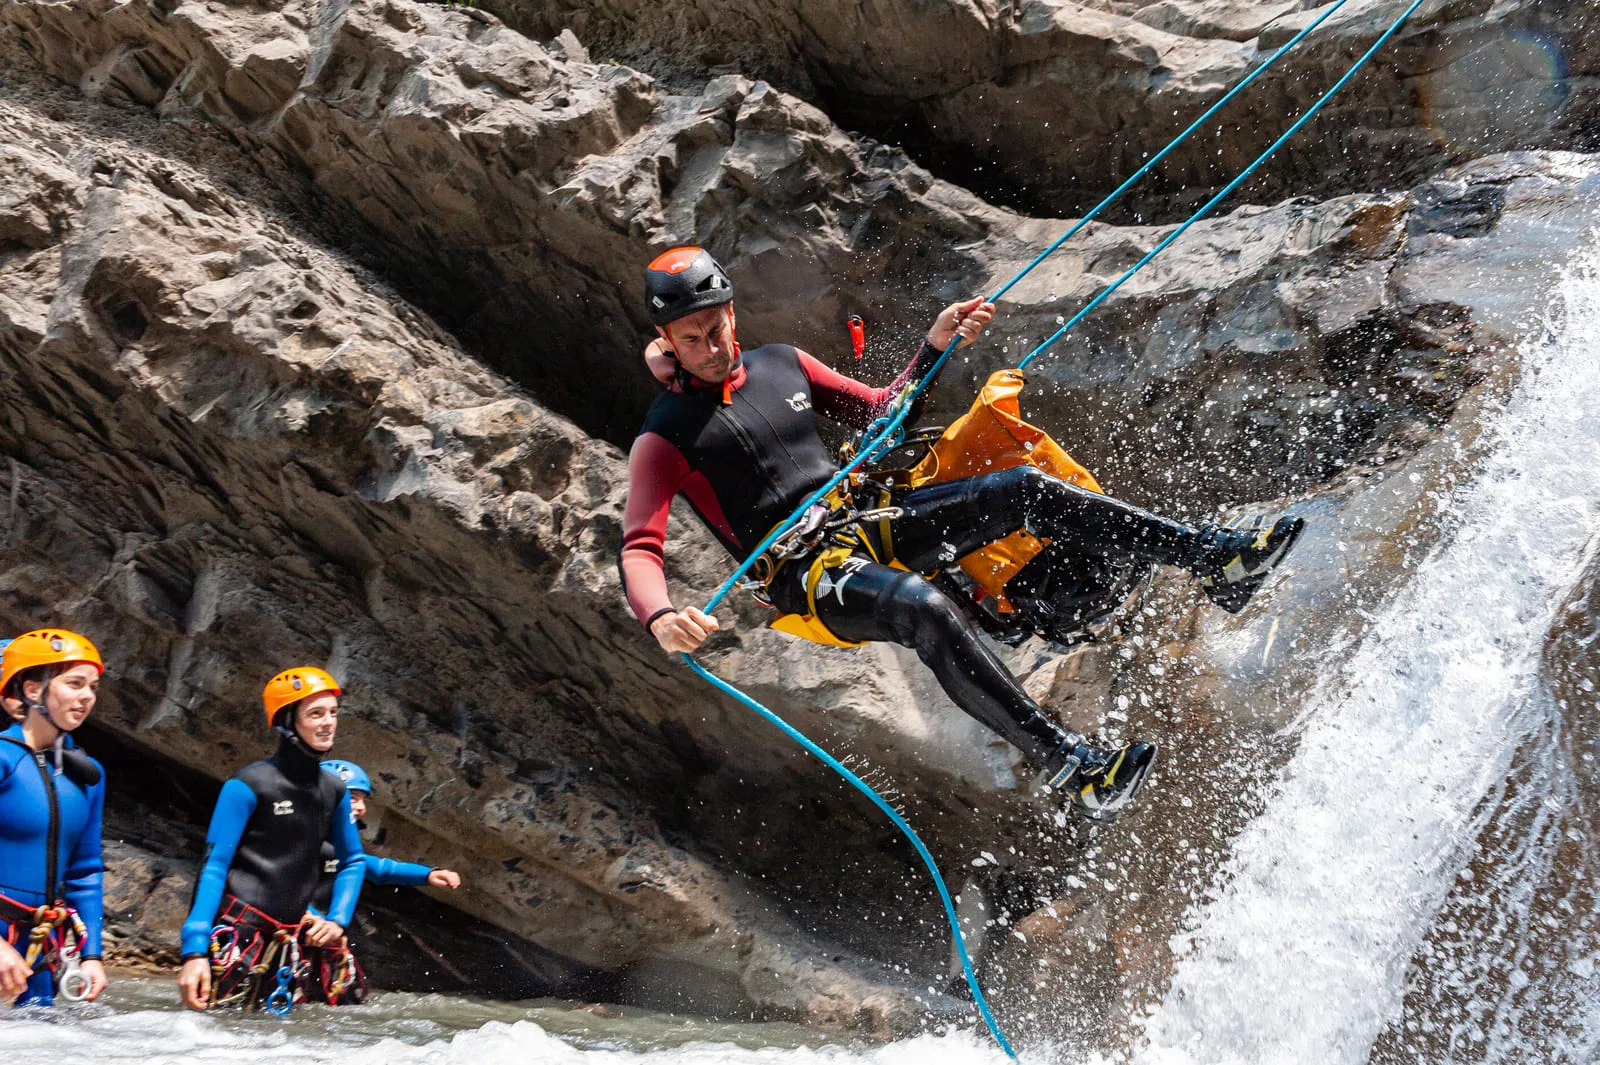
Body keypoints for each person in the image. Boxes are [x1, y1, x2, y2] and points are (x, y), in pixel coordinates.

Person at [621, 247, 1304, 822]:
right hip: (806, 575)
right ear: (668, 341)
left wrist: (936, 344)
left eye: (718, 327)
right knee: (923, 610)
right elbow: (640, 549)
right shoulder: (665, 434)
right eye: (693, 338)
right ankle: (1072, 766)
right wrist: (659, 616)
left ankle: (1215, 558)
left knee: (1024, 491)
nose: (712, 348)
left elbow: (882, 412)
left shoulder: (780, 363)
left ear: (732, 312)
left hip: (867, 516)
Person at [177, 667, 365, 1011]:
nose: (328, 723)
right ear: (286, 720)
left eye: (333, 713)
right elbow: (214, 866)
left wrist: (338, 920)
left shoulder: (333, 790)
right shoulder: (248, 785)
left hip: (290, 947)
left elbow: (354, 860)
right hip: (239, 937)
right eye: (316, 714)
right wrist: (194, 951)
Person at [294, 760, 463, 1005]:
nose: (361, 808)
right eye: (353, 798)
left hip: (324, 943)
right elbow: (274, 888)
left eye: (363, 799)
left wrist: (428, 874)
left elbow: (382, 869)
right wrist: (311, 918)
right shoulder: (293, 843)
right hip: (295, 938)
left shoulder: (343, 850)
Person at [0, 629, 108, 1006]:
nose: (87, 697)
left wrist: (92, 954)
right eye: (75, 684)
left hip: (39, 947)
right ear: (33, 691)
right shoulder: (2, 759)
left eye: (93, 687)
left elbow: (86, 871)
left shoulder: (87, 774)